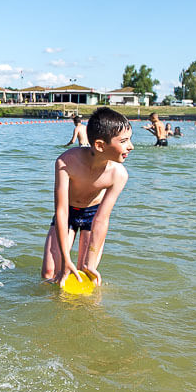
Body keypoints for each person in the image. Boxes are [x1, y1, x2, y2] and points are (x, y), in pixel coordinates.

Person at [41, 107, 132, 287]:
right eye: (124, 141)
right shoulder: (66, 162)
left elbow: (102, 219)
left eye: (130, 139)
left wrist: (90, 262)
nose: (131, 146)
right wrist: (66, 259)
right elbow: (61, 211)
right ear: (99, 145)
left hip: (93, 216)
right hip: (68, 213)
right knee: (50, 273)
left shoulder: (118, 174)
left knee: (86, 272)